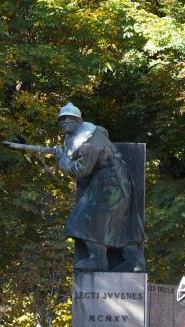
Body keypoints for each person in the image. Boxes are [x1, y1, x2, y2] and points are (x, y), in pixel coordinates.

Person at [56, 102, 145, 272]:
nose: (65, 121)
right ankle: (135, 261)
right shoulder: (93, 133)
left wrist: (62, 158)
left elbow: (82, 170)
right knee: (118, 222)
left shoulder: (88, 142)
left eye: (70, 118)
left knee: (82, 219)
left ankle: (98, 259)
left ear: (79, 122)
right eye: (62, 119)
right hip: (114, 178)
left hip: (110, 181)